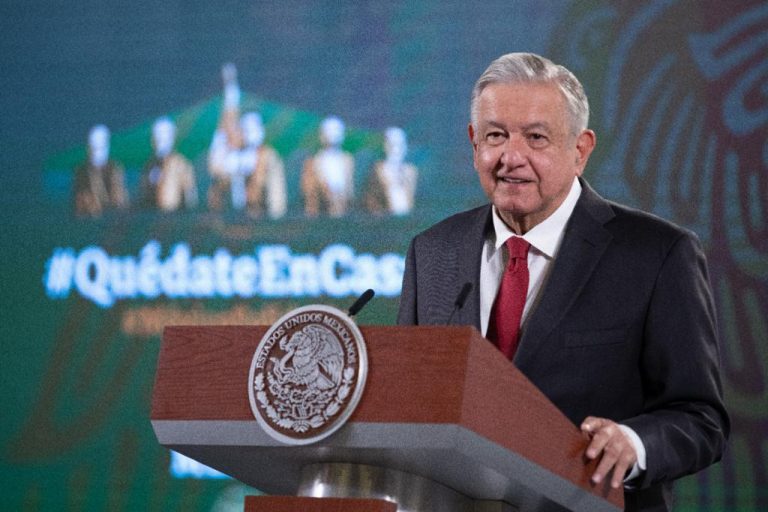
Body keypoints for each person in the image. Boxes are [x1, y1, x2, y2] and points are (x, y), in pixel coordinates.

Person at [397, 53, 728, 511]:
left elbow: (701, 420)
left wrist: (633, 444)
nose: (511, 157)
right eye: (495, 136)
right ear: (474, 143)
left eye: (536, 137)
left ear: (581, 150)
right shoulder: (433, 252)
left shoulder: (658, 254)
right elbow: (408, 406)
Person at [139, 116, 198, 211]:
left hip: (173, 212)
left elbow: (190, 196)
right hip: (155, 211)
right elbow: (144, 193)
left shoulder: (181, 165)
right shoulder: (149, 165)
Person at [301, 116, 355, 217]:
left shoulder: (347, 160)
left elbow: (350, 192)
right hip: (321, 217)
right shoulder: (313, 163)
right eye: (329, 131)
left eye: (336, 130)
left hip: (345, 216)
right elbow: (310, 196)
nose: (332, 134)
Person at [73, 124, 128, 217]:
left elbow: (121, 200)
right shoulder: (81, 171)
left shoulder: (114, 168)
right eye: (95, 148)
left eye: (100, 148)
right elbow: (79, 204)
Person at [365, 126, 418, 216]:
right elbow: (371, 200)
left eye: (400, 145)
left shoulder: (411, 171)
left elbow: (411, 202)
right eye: (391, 145)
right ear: (385, 146)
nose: (396, 149)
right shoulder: (378, 169)